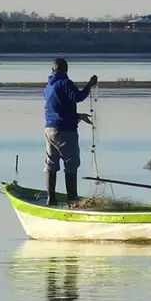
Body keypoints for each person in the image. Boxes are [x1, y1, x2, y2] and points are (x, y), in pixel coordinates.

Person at [43, 58, 98, 205]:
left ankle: (51, 198)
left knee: (51, 163)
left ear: (53, 69)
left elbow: (58, 109)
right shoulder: (66, 83)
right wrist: (90, 85)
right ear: (66, 70)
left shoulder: (48, 86)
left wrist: (78, 116)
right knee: (71, 163)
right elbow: (78, 97)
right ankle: (72, 200)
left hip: (50, 129)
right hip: (66, 131)